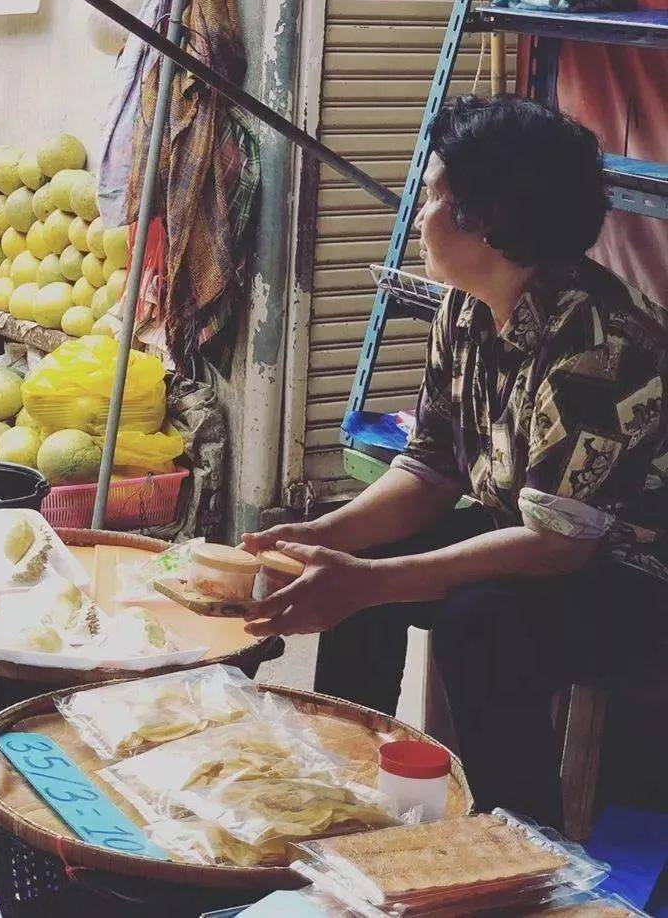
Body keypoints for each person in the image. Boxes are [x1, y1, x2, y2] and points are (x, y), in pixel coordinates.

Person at [243, 96, 668, 827]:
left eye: (434, 194)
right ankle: (335, 791)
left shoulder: (601, 346)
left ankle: (523, 845)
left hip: (631, 575)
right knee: (348, 560)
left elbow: (559, 546)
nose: (418, 213)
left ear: (489, 219)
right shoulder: (466, 309)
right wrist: (325, 539)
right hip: (534, 536)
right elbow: (431, 470)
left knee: (482, 623)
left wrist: (371, 581)